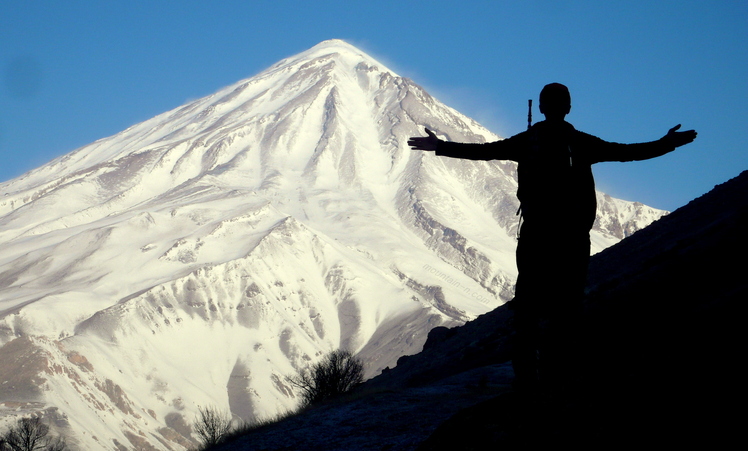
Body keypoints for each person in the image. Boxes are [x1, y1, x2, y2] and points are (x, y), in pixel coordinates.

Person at [408, 83, 697, 393]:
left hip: (536, 236)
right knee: (569, 306)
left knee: (528, 308)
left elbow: (485, 152)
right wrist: (666, 143)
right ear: (569, 107)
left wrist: (440, 146)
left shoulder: (528, 141)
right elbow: (627, 153)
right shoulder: (580, 142)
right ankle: (561, 375)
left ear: (542, 108)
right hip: (572, 237)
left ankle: (528, 378)